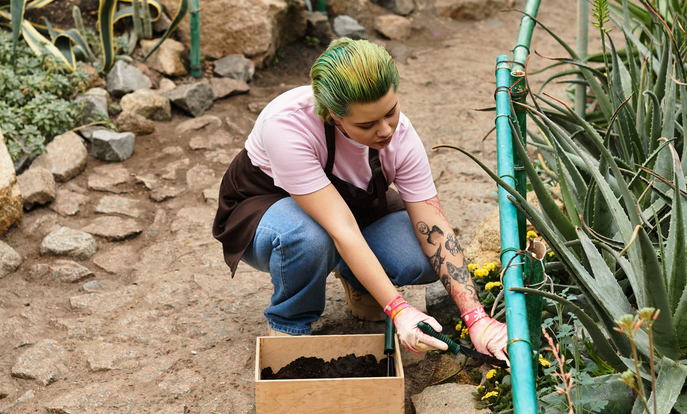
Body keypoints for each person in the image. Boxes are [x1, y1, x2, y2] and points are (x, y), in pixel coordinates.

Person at [212, 37, 508, 361]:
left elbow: (432, 223)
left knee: (423, 258)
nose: (385, 131)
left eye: (390, 112)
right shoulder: (286, 126)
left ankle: (357, 280)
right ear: (333, 116)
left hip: (355, 206)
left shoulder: (400, 134)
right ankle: (290, 322)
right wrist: (399, 309)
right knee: (309, 238)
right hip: (267, 207)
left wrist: (477, 319)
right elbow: (342, 229)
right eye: (367, 124)